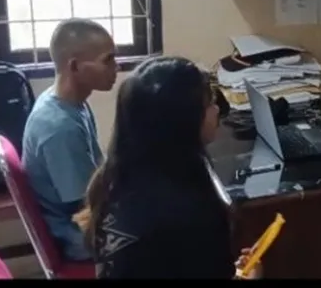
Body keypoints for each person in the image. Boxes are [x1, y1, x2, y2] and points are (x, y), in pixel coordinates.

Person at [74, 56, 257, 279]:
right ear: (182, 121)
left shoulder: (113, 183)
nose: (217, 109)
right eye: (209, 103)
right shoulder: (191, 214)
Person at [22, 19, 118, 262]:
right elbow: (86, 207)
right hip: (78, 236)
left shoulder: (69, 103)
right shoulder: (59, 128)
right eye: (107, 60)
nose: (116, 67)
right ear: (74, 66)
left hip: (84, 219)